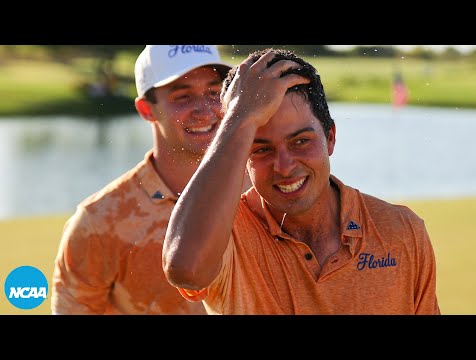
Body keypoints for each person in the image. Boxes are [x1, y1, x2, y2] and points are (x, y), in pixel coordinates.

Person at [162, 48, 441, 315]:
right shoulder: (225, 236)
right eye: (261, 149)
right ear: (242, 154)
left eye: (301, 142)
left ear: (330, 137)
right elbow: (186, 269)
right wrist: (239, 118)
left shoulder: (403, 231)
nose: (284, 167)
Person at [51, 45, 252, 314]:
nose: (205, 110)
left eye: (214, 93)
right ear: (146, 110)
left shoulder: (263, 189)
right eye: (183, 97)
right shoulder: (99, 221)